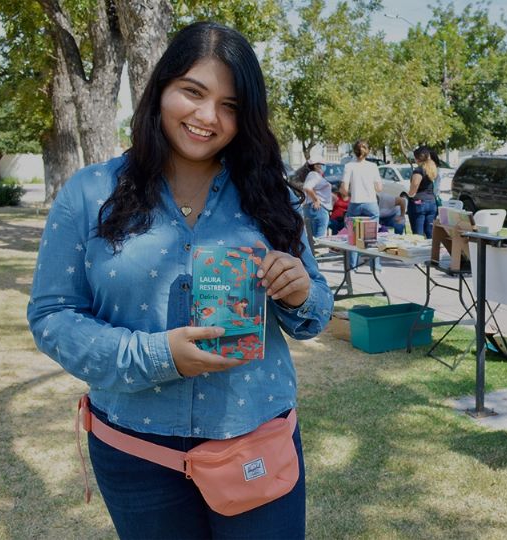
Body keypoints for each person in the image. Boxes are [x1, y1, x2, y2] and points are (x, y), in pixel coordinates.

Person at [26, 22, 332, 539]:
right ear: (161, 89)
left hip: (255, 442)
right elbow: (52, 317)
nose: (208, 117)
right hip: (135, 452)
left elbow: (314, 314)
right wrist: (157, 356)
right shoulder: (88, 193)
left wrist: (300, 291)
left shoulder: (271, 196)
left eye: (231, 105)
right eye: (193, 91)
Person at [340, 139, 382, 270]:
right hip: (371, 203)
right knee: (372, 235)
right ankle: (375, 266)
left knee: (353, 236)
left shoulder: (349, 166)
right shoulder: (373, 167)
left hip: (355, 203)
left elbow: (344, 189)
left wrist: (346, 194)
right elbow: (379, 187)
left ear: (354, 151)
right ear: (367, 151)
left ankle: (353, 266)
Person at [406, 145, 440, 238]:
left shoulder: (419, 170)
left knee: (418, 235)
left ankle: (419, 252)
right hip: (431, 202)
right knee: (430, 233)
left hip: (418, 203)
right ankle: (432, 252)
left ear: (417, 159)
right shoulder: (432, 169)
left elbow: (415, 184)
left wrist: (410, 195)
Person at [301, 153, 332, 239]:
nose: (324, 166)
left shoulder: (314, 175)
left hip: (313, 209)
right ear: (317, 165)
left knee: (313, 240)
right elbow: (307, 187)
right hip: (318, 209)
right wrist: (316, 200)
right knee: (319, 240)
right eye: (323, 165)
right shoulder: (314, 175)